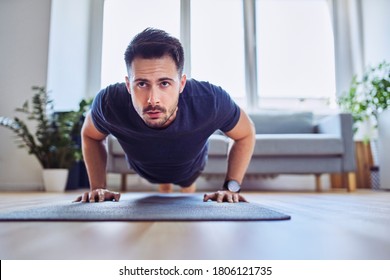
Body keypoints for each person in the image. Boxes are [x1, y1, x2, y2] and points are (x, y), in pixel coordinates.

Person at [74, 28, 255, 203]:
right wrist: (97, 187)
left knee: (186, 188)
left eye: (165, 83)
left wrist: (231, 188)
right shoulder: (109, 102)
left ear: (182, 83)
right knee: (164, 189)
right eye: (142, 84)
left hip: (190, 167)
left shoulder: (211, 100)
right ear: (128, 86)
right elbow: (90, 135)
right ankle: (165, 186)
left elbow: (245, 134)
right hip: (145, 169)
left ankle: (182, 187)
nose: (153, 100)